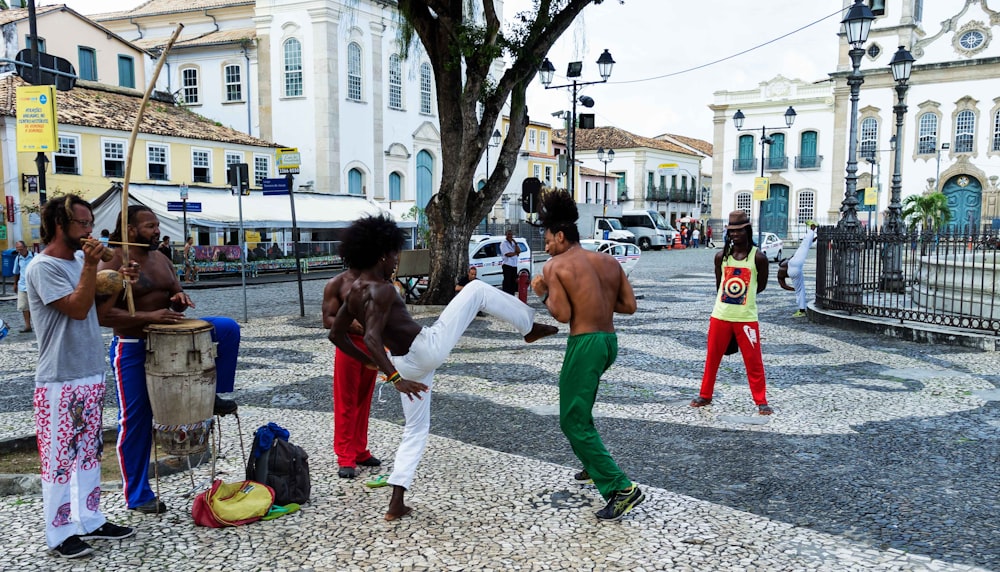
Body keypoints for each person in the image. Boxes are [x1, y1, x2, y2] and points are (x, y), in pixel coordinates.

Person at [330, 215, 556, 521]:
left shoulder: (355, 289)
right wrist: (393, 378)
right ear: (382, 253)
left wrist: (374, 364)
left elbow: (336, 333)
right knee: (475, 290)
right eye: (395, 255)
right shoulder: (382, 289)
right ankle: (527, 325)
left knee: (416, 429)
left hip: (407, 363)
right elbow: (370, 337)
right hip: (424, 349)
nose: (397, 261)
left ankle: (396, 500)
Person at [96, 206, 240, 515]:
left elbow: (175, 290)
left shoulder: (160, 257)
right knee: (135, 420)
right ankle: (137, 493)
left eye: (157, 225)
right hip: (134, 344)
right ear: (131, 229)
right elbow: (103, 316)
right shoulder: (111, 259)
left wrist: (179, 298)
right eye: (150, 226)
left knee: (227, 329)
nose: (157, 230)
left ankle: (214, 395)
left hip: (171, 335)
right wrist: (150, 315)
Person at [25, 196, 136, 558]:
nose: (90, 230)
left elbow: (96, 314)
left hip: (89, 369)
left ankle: (90, 518)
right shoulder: (43, 267)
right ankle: (59, 532)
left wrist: (120, 282)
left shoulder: (77, 261)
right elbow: (74, 309)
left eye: (90, 223)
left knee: (89, 452)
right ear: (61, 224)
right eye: (83, 224)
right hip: (59, 377)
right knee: (59, 458)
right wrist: (91, 266)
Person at [530, 189, 645, 522]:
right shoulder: (608, 261)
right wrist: (595, 300)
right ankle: (591, 464)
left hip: (585, 343)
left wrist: (542, 294)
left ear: (561, 236)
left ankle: (620, 488)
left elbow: (562, 315)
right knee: (582, 407)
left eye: (548, 239)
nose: (546, 246)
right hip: (609, 342)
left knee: (571, 419)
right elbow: (629, 307)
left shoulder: (555, 266)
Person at [691, 209, 772, 415]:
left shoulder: (758, 258)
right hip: (720, 316)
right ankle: (705, 395)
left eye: (739, 231)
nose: (735, 235)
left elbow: (759, 286)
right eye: (731, 231)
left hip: (746, 318)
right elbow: (719, 285)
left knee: (754, 361)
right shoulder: (721, 256)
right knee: (712, 358)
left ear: (747, 231)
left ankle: (761, 400)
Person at [322, 268, 380, 479]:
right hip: (347, 345)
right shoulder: (336, 283)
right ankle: (345, 456)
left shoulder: (376, 279)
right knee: (346, 401)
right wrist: (349, 324)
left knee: (364, 401)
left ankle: (359, 449)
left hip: (371, 345)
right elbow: (327, 318)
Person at [778, 220, 818, 318]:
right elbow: (783, 285)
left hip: (795, 271)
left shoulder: (782, 269)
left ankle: (802, 310)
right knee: (803, 246)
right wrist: (793, 288)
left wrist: (793, 289)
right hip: (794, 267)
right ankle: (812, 228)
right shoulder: (788, 262)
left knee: (800, 290)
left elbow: (783, 285)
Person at [12, 240, 35, 333]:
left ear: (26, 248)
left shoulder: (35, 256)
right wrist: (15, 284)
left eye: (21, 249)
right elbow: (16, 272)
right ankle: (28, 325)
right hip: (22, 285)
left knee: (35, 306)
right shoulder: (18, 258)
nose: (20, 252)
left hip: (33, 285)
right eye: (18, 250)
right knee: (24, 306)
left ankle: (38, 325)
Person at [499, 229, 520, 295]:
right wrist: (515, 253)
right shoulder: (503, 243)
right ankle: (506, 295)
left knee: (513, 282)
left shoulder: (513, 243)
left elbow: (519, 251)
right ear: (506, 235)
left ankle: (512, 295)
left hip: (514, 265)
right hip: (507, 265)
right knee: (507, 282)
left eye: (511, 234)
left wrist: (516, 243)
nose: (510, 236)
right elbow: (508, 254)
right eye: (508, 234)